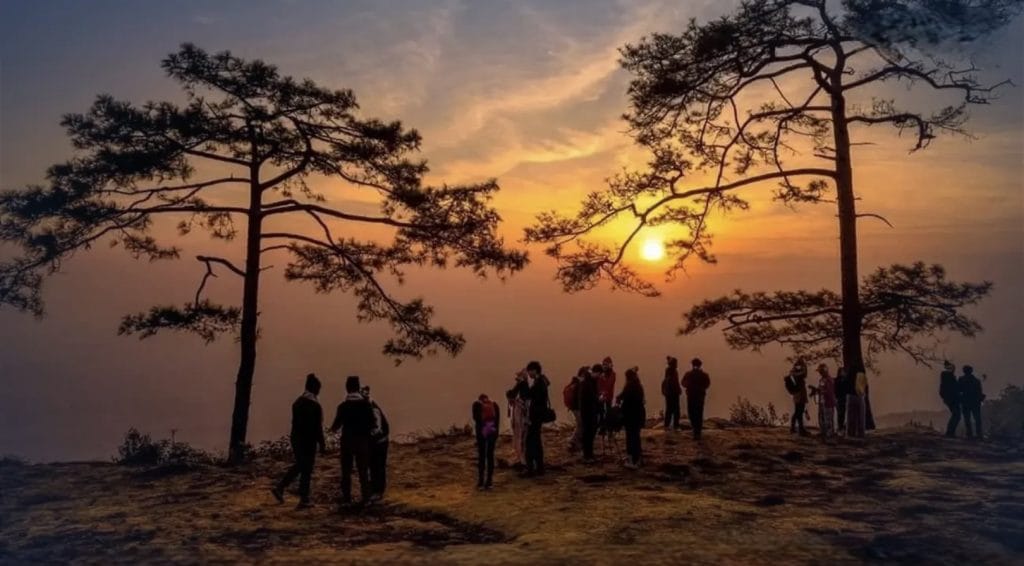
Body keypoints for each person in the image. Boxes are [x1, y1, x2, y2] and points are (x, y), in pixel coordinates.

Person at [272, 373, 327, 508]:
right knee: (306, 468)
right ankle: (302, 497)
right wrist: (322, 444)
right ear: (315, 388)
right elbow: (317, 427)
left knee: (301, 465)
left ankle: (283, 489)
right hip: (309, 440)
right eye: (318, 389)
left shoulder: (297, 402)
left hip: (296, 438)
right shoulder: (315, 406)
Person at [330, 376, 376, 506]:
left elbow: (335, 427)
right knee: (363, 471)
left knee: (346, 472)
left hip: (347, 441)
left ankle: (346, 499)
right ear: (358, 387)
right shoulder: (366, 405)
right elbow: (373, 424)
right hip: (362, 441)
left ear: (347, 388)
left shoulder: (343, 406)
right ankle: (366, 498)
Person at [361, 386, 390, 501]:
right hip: (377, 441)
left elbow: (377, 429)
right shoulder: (370, 407)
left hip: (380, 441)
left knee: (378, 466)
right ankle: (375, 489)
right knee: (374, 466)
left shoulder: (373, 409)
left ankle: (378, 491)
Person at [525, 361, 551, 476]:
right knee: (536, 441)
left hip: (536, 416)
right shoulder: (542, 381)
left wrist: (523, 381)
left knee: (530, 441)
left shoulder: (539, 383)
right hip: (538, 416)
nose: (529, 373)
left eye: (529, 371)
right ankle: (539, 467)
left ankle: (531, 468)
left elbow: (528, 394)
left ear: (535, 370)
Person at [617, 367, 646, 468]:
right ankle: (638, 458)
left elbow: (626, 402)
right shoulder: (638, 385)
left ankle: (632, 459)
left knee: (631, 437)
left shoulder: (629, 386)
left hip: (631, 417)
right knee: (636, 437)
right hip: (638, 415)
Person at [472, 394, 501, 489]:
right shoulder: (495, 405)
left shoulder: (476, 405)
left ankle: (480, 481)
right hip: (492, 431)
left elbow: (475, 418)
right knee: (490, 455)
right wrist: (496, 434)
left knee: (482, 456)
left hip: (481, 432)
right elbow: (497, 421)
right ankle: (489, 481)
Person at [506, 371, 531, 467]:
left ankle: (521, 458)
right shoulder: (526, 386)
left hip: (520, 412)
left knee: (518, 433)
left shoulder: (521, 384)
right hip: (525, 413)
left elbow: (511, 394)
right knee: (522, 433)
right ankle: (522, 456)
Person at [681, 358, 711, 440]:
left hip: (691, 396)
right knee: (699, 412)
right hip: (700, 396)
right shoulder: (704, 375)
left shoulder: (688, 374)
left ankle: (695, 430)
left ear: (692, 365)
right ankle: (698, 431)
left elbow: (683, 383)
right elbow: (707, 384)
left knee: (692, 412)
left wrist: (689, 387)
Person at [578, 364, 602, 462]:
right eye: (599, 374)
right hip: (587, 412)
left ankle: (589, 454)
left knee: (590, 433)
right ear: (596, 372)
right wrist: (598, 399)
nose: (599, 376)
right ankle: (587, 455)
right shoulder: (587, 383)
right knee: (588, 433)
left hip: (591, 411)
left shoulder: (590, 381)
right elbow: (589, 398)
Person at [958, 365, 985, 440]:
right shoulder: (976, 381)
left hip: (966, 401)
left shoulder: (961, 379)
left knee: (968, 418)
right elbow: (979, 392)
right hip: (974, 402)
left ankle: (970, 434)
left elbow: (958, 390)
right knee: (976, 418)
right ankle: (978, 434)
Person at [786, 359, 809, 435]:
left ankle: (798, 428)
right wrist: (804, 365)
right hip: (800, 395)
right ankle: (799, 429)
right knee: (798, 412)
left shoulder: (794, 374)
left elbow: (804, 374)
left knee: (798, 411)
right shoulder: (797, 374)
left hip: (797, 395)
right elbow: (805, 373)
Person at [564, 369, 585, 453]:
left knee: (580, 424)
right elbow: (579, 398)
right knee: (581, 425)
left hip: (573, 407)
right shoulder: (579, 384)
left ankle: (575, 442)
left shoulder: (574, 382)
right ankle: (572, 441)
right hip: (576, 408)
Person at [939, 361, 961, 438]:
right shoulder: (947, 376)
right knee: (957, 415)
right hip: (952, 398)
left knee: (956, 415)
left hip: (950, 398)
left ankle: (950, 432)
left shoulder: (947, 376)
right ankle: (950, 432)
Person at [813, 364, 836, 438]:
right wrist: (816, 390)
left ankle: (829, 433)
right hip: (822, 401)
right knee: (821, 417)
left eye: (820, 371)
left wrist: (820, 391)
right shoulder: (821, 380)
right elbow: (821, 389)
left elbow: (829, 391)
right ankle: (822, 431)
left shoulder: (829, 380)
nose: (820, 373)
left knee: (828, 418)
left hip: (828, 402)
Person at [661, 357, 682, 430]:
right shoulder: (672, 371)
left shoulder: (670, 370)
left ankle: (667, 425)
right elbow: (674, 382)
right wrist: (678, 389)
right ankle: (675, 425)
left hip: (669, 393)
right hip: (673, 393)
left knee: (669, 409)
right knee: (675, 410)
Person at [846, 368, 867, 438]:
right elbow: (865, 385)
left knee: (851, 416)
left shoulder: (849, 374)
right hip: (860, 396)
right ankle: (861, 433)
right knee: (861, 416)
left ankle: (851, 433)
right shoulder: (862, 374)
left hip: (851, 395)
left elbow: (846, 384)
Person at [834, 367, 850, 433]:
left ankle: (842, 426)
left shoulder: (846, 380)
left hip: (844, 398)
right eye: (842, 371)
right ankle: (840, 426)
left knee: (843, 413)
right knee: (840, 413)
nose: (844, 373)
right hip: (839, 398)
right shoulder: (837, 380)